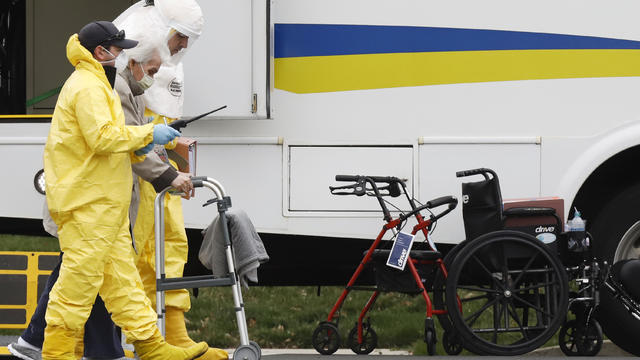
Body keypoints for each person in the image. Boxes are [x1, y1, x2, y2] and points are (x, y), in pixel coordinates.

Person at [9, 22, 198, 360]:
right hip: (87, 206)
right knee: (75, 288)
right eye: (118, 49)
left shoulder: (97, 83)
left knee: (124, 285)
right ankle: (56, 352)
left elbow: (112, 137)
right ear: (101, 52)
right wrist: (149, 134)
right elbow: (103, 138)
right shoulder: (87, 87)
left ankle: (152, 347)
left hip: (102, 207)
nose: (122, 55)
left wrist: (149, 137)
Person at [116, 3, 228, 359]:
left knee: (172, 243)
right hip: (142, 176)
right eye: (180, 37)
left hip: (158, 169)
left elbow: (151, 128)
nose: (181, 46)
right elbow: (131, 134)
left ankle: (170, 332)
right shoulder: (132, 61)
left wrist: (172, 147)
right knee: (146, 249)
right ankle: (148, 337)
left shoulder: (157, 60)